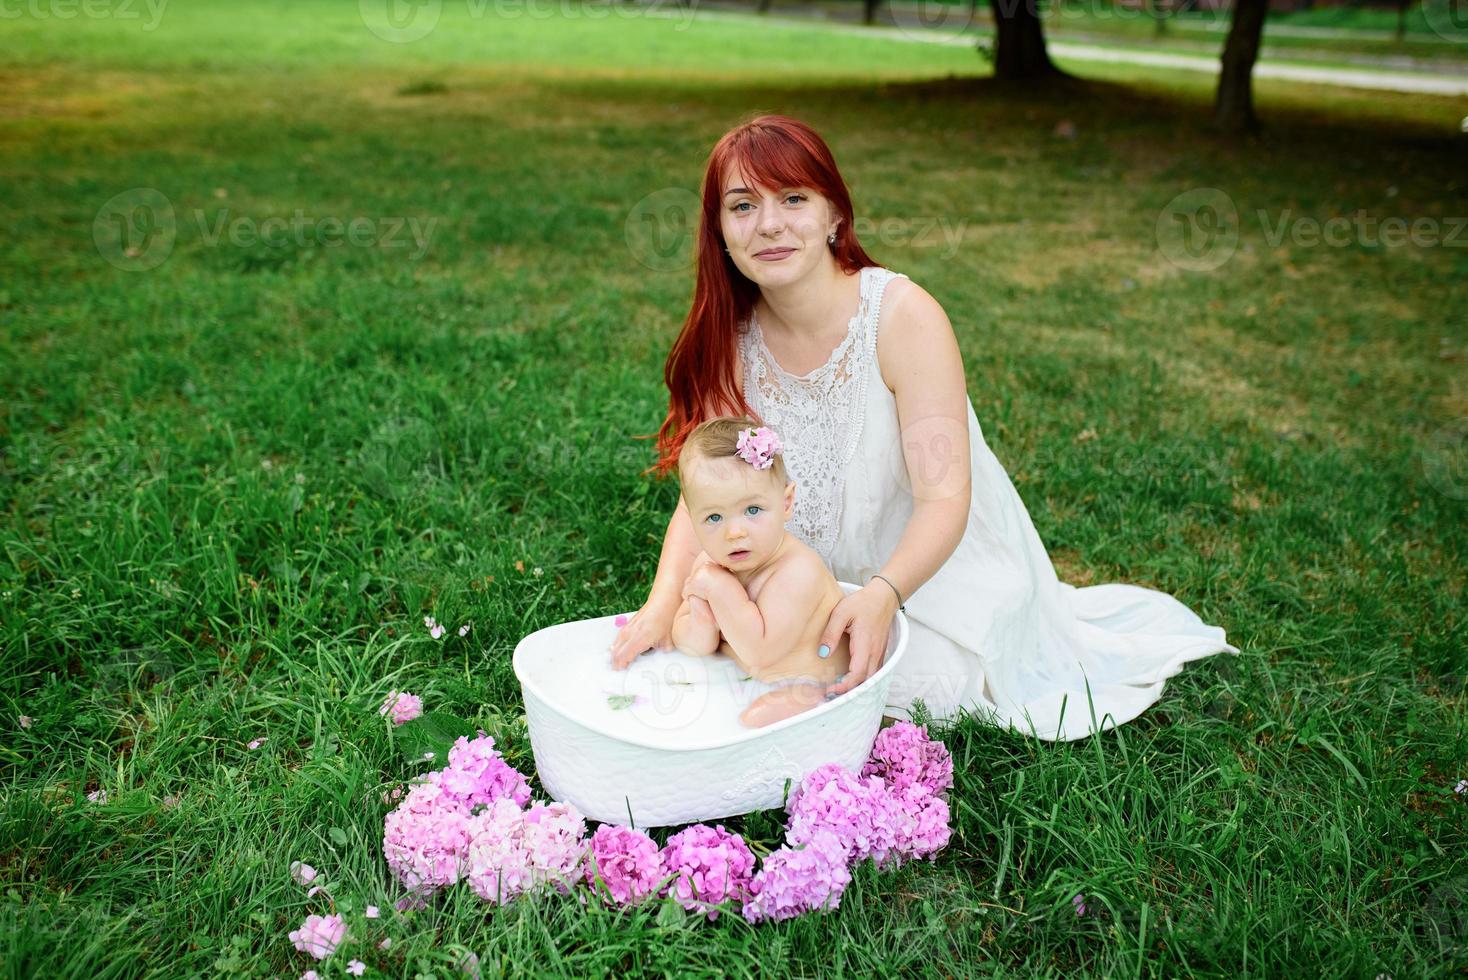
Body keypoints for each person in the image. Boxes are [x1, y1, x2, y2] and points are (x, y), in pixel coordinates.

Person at [608, 113, 1239, 741]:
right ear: (718, 230)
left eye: (793, 198)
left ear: (835, 216)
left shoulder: (901, 317)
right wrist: (662, 604)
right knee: (706, 652)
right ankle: (801, 666)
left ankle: (837, 676)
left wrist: (883, 593)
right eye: (742, 206)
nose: (769, 223)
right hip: (795, 579)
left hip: (927, 579)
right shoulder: (733, 337)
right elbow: (709, 493)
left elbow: (944, 498)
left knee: (927, 683)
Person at [610, 416, 851, 728]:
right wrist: (701, 619)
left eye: (752, 511)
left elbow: (761, 653)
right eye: (713, 517)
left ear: (786, 502)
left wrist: (718, 589)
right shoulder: (710, 565)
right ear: (693, 522)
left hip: (814, 680)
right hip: (746, 674)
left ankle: (819, 705)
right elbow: (691, 644)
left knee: (753, 721)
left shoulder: (798, 571)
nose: (734, 532)